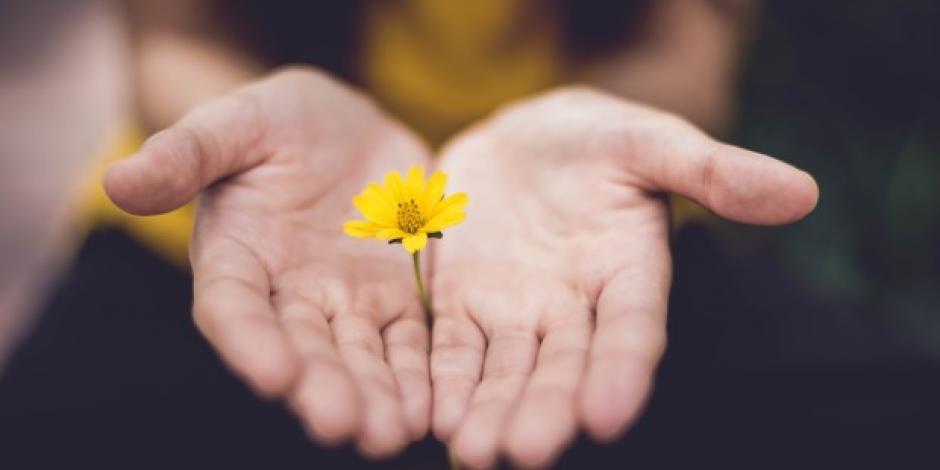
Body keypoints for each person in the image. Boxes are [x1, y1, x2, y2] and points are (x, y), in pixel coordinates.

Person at [1, 1, 821, 469]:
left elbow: (687, 47)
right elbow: (176, 34)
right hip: (251, 224)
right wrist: (233, 128)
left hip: (580, 230)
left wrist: (623, 120)